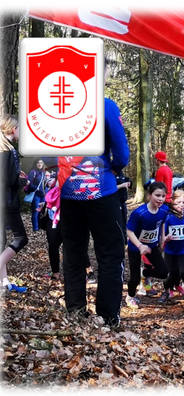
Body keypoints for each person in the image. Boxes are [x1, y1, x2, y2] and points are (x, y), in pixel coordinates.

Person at [57, 57, 130, 327]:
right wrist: (113, 166)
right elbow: (122, 152)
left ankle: (75, 311)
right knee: (110, 253)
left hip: (67, 192)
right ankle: (107, 317)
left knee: (74, 252)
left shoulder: (60, 104)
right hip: (101, 191)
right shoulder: (106, 106)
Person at [125, 181, 170, 309]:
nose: (160, 199)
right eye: (157, 195)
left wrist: (162, 239)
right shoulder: (139, 213)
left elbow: (162, 223)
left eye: (163, 196)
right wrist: (140, 246)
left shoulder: (164, 210)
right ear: (150, 195)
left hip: (152, 246)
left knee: (163, 272)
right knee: (134, 279)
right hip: (136, 247)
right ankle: (130, 296)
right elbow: (129, 231)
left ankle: (145, 273)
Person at [0, 114, 28, 292]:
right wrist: (24, 182)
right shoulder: (9, 151)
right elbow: (11, 181)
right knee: (21, 238)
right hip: (7, 203)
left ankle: (4, 283)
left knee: (1, 242)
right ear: (13, 129)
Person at [27, 158, 46, 232]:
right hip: (36, 195)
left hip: (43, 195)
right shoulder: (32, 172)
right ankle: (35, 228)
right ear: (35, 163)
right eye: (38, 163)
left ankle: (39, 225)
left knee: (41, 211)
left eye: (41, 162)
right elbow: (29, 184)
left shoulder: (43, 172)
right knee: (35, 211)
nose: (40, 164)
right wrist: (37, 189)